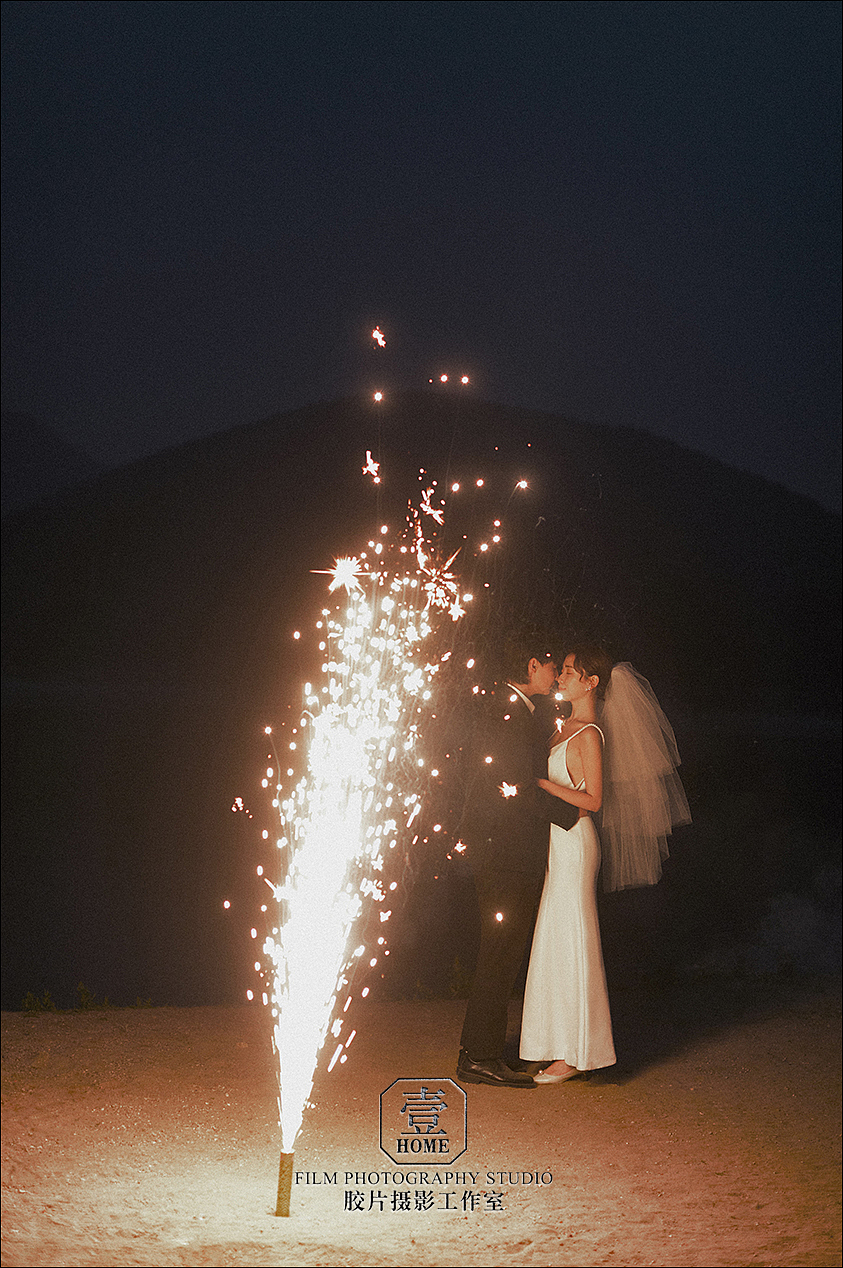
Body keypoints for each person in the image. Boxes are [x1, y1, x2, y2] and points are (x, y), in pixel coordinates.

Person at [519, 649, 690, 1083]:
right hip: (558, 842)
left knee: (573, 936)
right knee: (554, 937)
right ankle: (557, 1043)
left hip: (576, 843)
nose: (562, 678)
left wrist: (540, 784)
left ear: (590, 683)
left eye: (570, 673)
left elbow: (593, 800)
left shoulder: (590, 733)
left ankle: (578, 1052)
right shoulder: (564, 728)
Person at [456, 644, 578, 1088]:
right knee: (500, 952)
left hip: (502, 851)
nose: (554, 677)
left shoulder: (511, 710)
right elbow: (517, 788)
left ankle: (480, 1050)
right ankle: (479, 1057)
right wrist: (576, 814)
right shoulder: (509, 714)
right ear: (532, 665)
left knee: (501, 952)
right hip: (505, 854)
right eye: (552, 667)